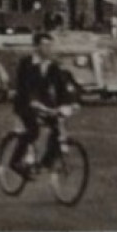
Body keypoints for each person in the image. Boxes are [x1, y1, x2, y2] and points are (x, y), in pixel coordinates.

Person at [11, 32, 75, 172]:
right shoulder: (27, 63)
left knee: (57, 129)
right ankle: (15, 161)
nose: (48, 49)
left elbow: (61, 86)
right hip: (25, 103)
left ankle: (45, 162)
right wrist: (33, 101)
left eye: (50, 45)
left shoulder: (52, 65)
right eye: (45, 45)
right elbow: (25, 86)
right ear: (36, 47)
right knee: (32, 131)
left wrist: (69, 102)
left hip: (44, 104)